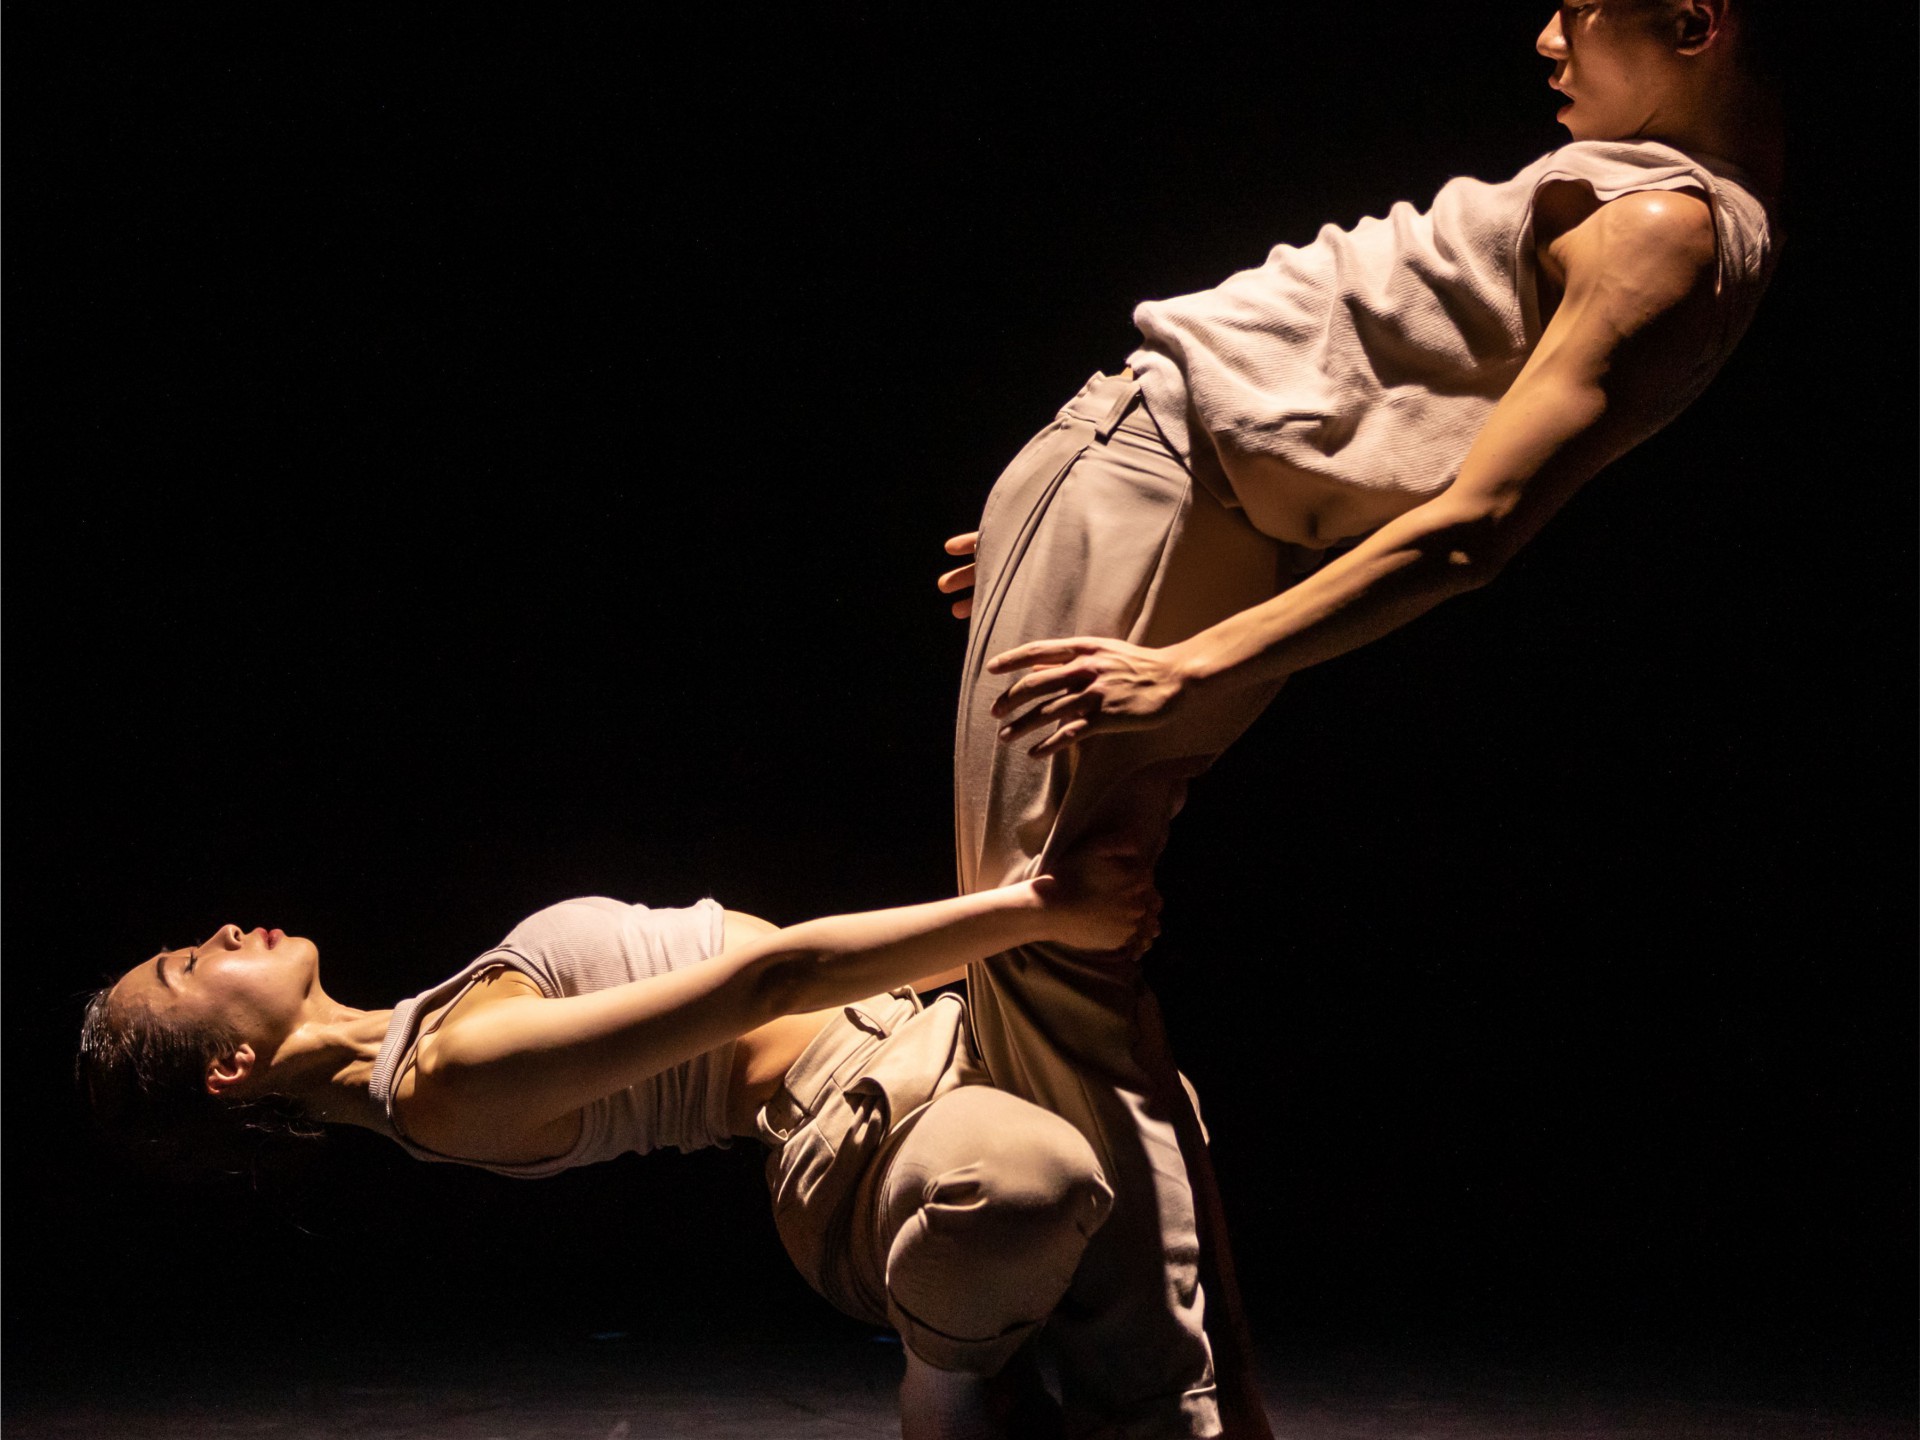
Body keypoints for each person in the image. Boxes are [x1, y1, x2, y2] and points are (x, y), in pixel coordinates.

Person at [933, 3, 1781, 1437]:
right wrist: (1082, 519)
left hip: (1179, 489)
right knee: (1062, 957)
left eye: (1582, 8)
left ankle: (1143, 1404)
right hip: (1165, 487)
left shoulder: (1663, 224)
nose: (1545, 38)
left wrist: (1187, 661)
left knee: (1046, 943)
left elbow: (1472, 528)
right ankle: (1155, 1398)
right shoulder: (1691, 224)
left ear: (1696, 22)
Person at [78, 863, 1162, 1440]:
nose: (222, 933)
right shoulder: (449, 1079)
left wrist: (1009, 934)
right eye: (188, 965)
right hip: (868, 1123)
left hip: (930, 1028)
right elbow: (771, 983)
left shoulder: (424, 1023)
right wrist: (1035, 911)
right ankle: (946, 1384)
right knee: (1026, 1182)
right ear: (231, 1067)